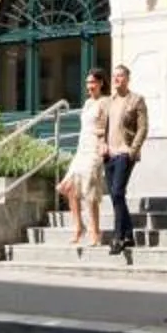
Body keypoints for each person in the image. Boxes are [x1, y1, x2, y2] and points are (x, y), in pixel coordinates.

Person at [101, 64, 147, 260]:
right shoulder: (109, 102)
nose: (116, 79)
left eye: (120, 76)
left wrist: (132, 150)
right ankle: (129, 234)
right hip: (109, 154)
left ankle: (118, 237)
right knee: (115, 196)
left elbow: (143, 129)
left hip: (124, 154)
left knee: (118, 192)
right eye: (115, 76)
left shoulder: (137, 100)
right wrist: (102, 144)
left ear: (127, 79)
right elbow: (102, 127)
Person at [59, 69, 108, 251]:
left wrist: (98, 134)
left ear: (101, 83)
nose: (89, 86)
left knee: (90, 192)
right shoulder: (88, 103)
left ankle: (95, 231)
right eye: (88, 83)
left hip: (95, 149)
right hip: (81, 149)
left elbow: (110, 127)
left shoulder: (105, 102)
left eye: (93, 82)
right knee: (69, 187)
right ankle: (79, 227)